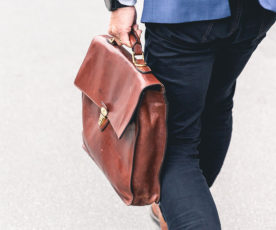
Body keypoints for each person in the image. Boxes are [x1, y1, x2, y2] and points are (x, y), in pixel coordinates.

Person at [105, 0, 276, 229]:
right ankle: (180, 204)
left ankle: (184, 206)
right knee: (215, 103)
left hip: (185, 12)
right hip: (256, 11)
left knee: (173, 142)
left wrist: (120, 3)